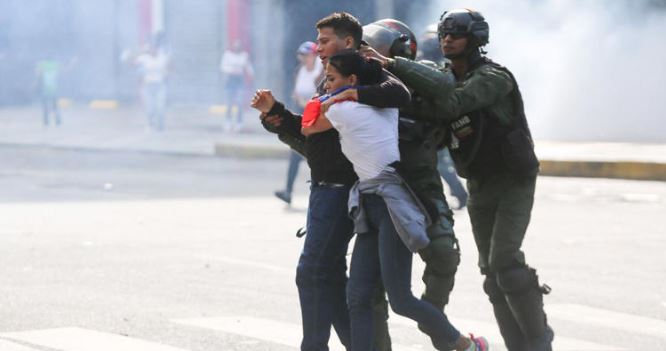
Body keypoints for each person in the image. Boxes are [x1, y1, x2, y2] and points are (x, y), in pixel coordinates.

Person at [365, 8, 554, 351]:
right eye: (444, 34)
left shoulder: (494, 77)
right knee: (493, 277)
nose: (447, 39)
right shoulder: (441, 74)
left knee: (506, 265)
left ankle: (540, 341)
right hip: (480, 181)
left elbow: (453, 103)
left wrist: (392, 68)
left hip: (513, 179)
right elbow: (428, 93)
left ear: (476, 39)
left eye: (456, 33)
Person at [302, 49, 488, 351]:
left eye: (331, 78)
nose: (325, 84)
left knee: (400, 299)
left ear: (352, 79)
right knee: (358, 295)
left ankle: (467, 345)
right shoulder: (386, 105)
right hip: (370, 202)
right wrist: (354, 88)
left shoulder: (343, 112)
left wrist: (340, 97)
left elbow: (307, 126)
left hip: (390, 205)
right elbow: (396, 91)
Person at [251, 12, 409, 351]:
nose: (318, 48)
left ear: (348, 41)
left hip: (342, 190)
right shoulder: (330, 78)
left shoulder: (363, 71)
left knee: (311, 272)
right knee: (329, 276)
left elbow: (398, 93)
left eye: (325, 41)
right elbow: (311, 133)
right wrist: (275, 113)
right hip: (323, 189)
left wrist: (349, 95)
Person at [362, 18, 462, 321]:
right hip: (379, 188)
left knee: (444, 253)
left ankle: (435, 320)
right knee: (370, 286)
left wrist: (392, 65)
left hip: (421, 184)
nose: (373, 54)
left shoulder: (423, 74)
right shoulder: (362, 82)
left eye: (381, 48)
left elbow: (445, 85)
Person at [417, 24, 468, 209]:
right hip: (435, 123)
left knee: (440, 164)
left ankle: (458, 195)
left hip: (435, 124)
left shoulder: (442, 69)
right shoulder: (440, 66)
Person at [274, 41, 322, 205]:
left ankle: (318, 190)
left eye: (307, 55)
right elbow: (296, 92)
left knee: (316, 157)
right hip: (301, 119)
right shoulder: (300, 71)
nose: (304, 59)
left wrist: (305, 102)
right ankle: (288, 191)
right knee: (295, 154)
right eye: (302, 56)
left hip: (316, 121)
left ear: (314, 55)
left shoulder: (321, 73)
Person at [220, 39, 254, 133]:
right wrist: (233, 70)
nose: (237, 47)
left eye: (238, 45)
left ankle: (239, 122)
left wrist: (252, 75)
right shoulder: (227, 55)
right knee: (229, 103)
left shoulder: (244, 56)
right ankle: (228, 121)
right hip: (230, 80)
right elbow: (223, 67)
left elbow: (248, 67)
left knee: (239, 103)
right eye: (235, 45)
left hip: (239, 81)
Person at [135, 43, 169, 131]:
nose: (152, 50)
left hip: (160, 86)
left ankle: (161, 125)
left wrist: (166, 71)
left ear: (157, 49)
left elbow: (170, 66)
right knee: (150, 107)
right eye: (150, 48)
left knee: (160, 106)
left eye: (154, 48)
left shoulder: (163, 57)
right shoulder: (144, 58)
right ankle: (151, 123)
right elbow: (133, 63)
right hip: (147, 86)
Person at [36, 59, 62, 126]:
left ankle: (46, 121)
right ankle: (57, 120)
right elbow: (62, 73)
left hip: (45, 89)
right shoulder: (55, 64)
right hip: (54, 89)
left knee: (46, 106)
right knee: (55, 106)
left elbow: (38, 76)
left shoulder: (41, 65)